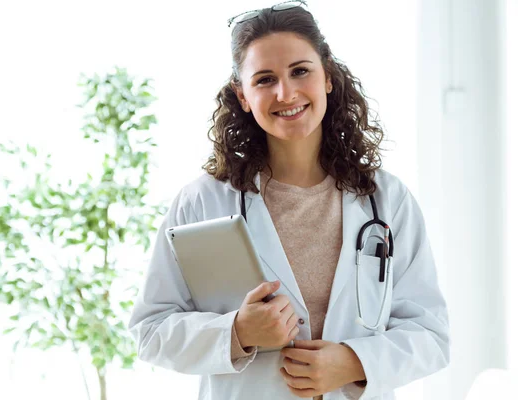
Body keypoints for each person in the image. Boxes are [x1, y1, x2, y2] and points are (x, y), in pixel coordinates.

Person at [128, 1, 450, 399]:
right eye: (264, 79)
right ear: (242, 95)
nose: (286, 93)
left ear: (327, 76)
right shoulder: (202, 201)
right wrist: (238, 332)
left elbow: (430, 334)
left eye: (300, 71)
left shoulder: (387, 199)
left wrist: (353, 361)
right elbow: (150, 331)